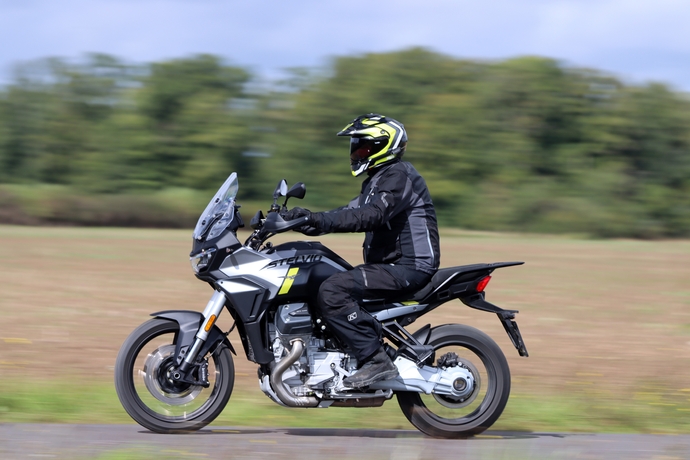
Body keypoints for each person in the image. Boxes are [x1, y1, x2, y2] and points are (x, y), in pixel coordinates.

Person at [282, 113, 440, 389]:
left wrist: (314, 220)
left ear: (383, 146)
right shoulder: (378, 180)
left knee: (332, 290)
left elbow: (370, 216)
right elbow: (349, 211)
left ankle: (376, 359)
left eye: (363, 146)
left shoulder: (398, 176)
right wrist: (301, 220)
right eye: (356, 146)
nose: (356, 152)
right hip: (391, 266)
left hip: (409, 267)